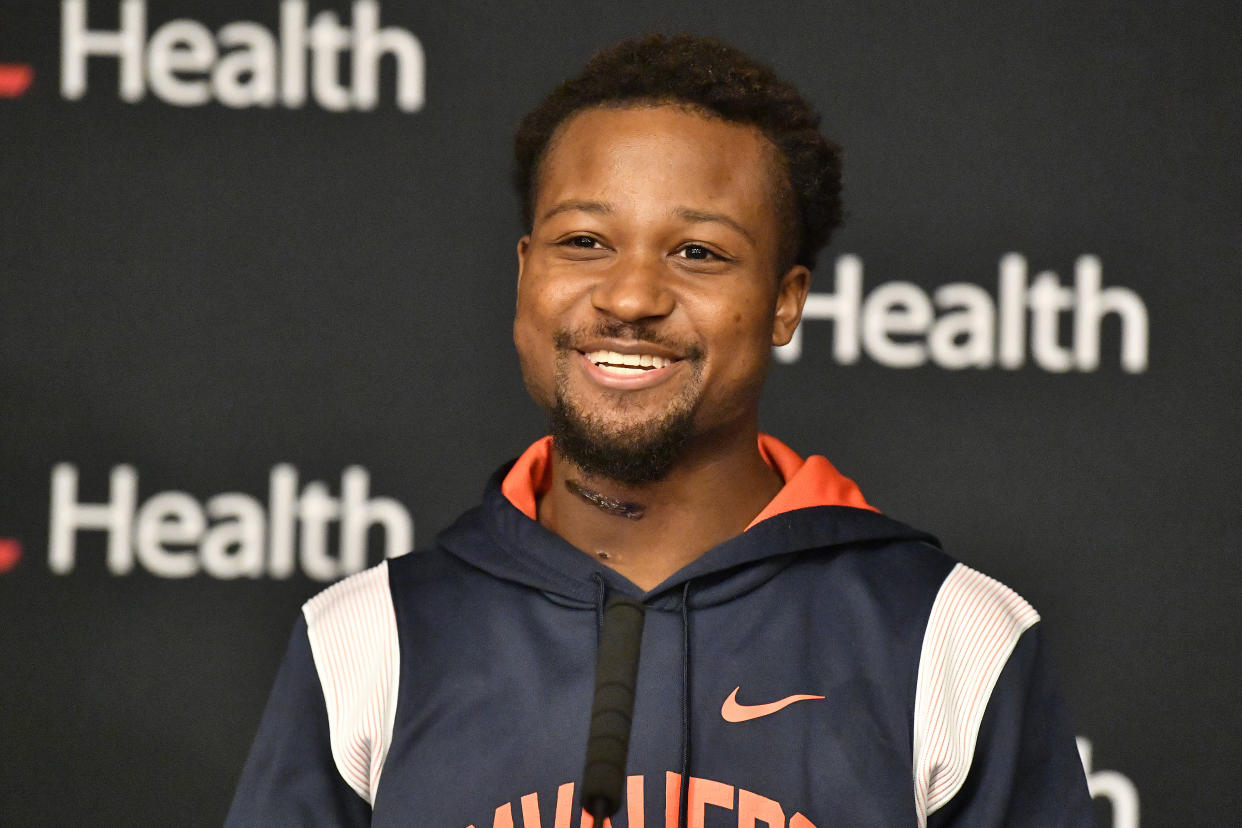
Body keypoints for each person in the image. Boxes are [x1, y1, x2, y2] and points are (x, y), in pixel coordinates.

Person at [226, 34, 1094, 827]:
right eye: (585, 241)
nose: (631, 297)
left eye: (698, 253)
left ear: (785, 302)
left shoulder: (951, 635)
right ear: (525, 273)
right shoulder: (367, 638)